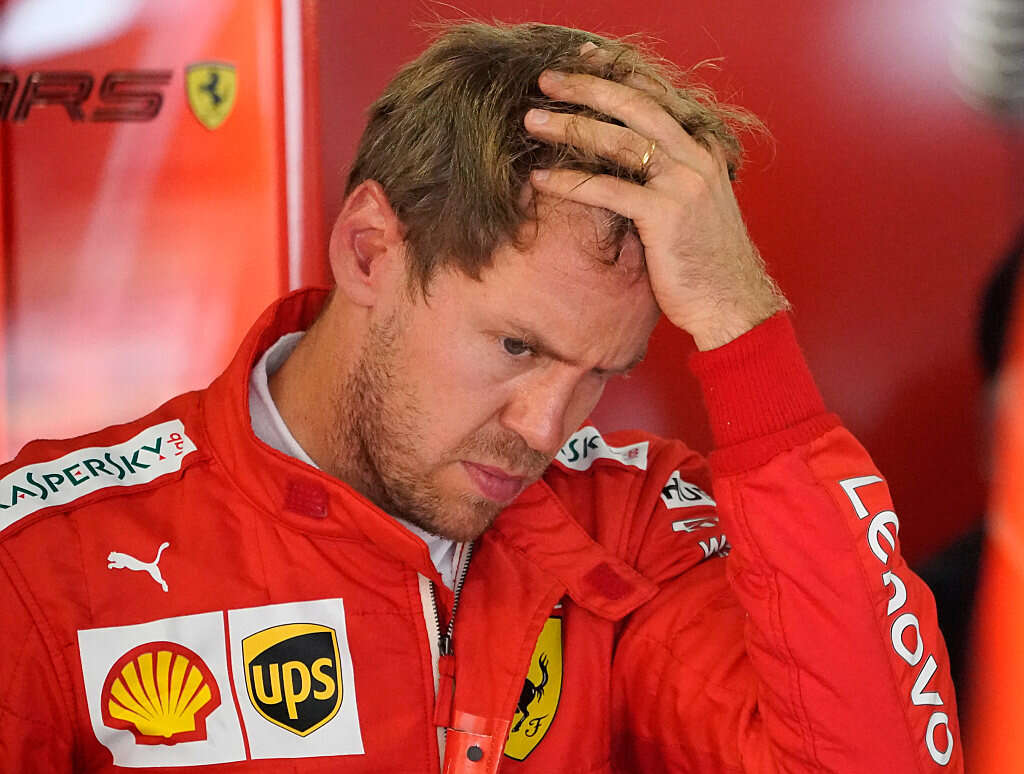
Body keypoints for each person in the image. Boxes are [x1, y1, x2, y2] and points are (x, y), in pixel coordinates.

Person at [0, 21, 961, 773]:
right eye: (516, 346)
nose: (544, 428)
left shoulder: (633, 523)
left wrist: (742, 326)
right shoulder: (45, 563)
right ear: (369, 251)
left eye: (600, 374)